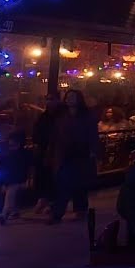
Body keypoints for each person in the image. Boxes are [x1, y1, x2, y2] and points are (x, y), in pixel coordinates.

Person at [48, 89, 98, 224]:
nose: (70, 99)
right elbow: (56, 135)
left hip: (81, 153)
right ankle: (58, 212)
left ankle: (79, 208)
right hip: (65, 153)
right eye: (68, 97)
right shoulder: (62, 117)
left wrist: (93, 151)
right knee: (64, 183)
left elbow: (92, 134)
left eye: (73, 97)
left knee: (79, 183)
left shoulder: (86, 116)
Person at [31, 90, 65, 215]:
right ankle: (43, 199)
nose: (49, 102)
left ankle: (51, 202)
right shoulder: (44, 116)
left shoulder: (61, 116)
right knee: (42, 176)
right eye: (48, 99)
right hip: (44, 149)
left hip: (55, 151)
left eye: (51, 99)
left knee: (53, 177)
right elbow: (37, 131)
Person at [0, 130, 32, 224]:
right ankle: (14, 211)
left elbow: (26, 167)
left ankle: (4, 214)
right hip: (11, 178)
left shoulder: (22, 154)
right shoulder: (9, 153)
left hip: (16, 178)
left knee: (10, 195)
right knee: (11, 195)